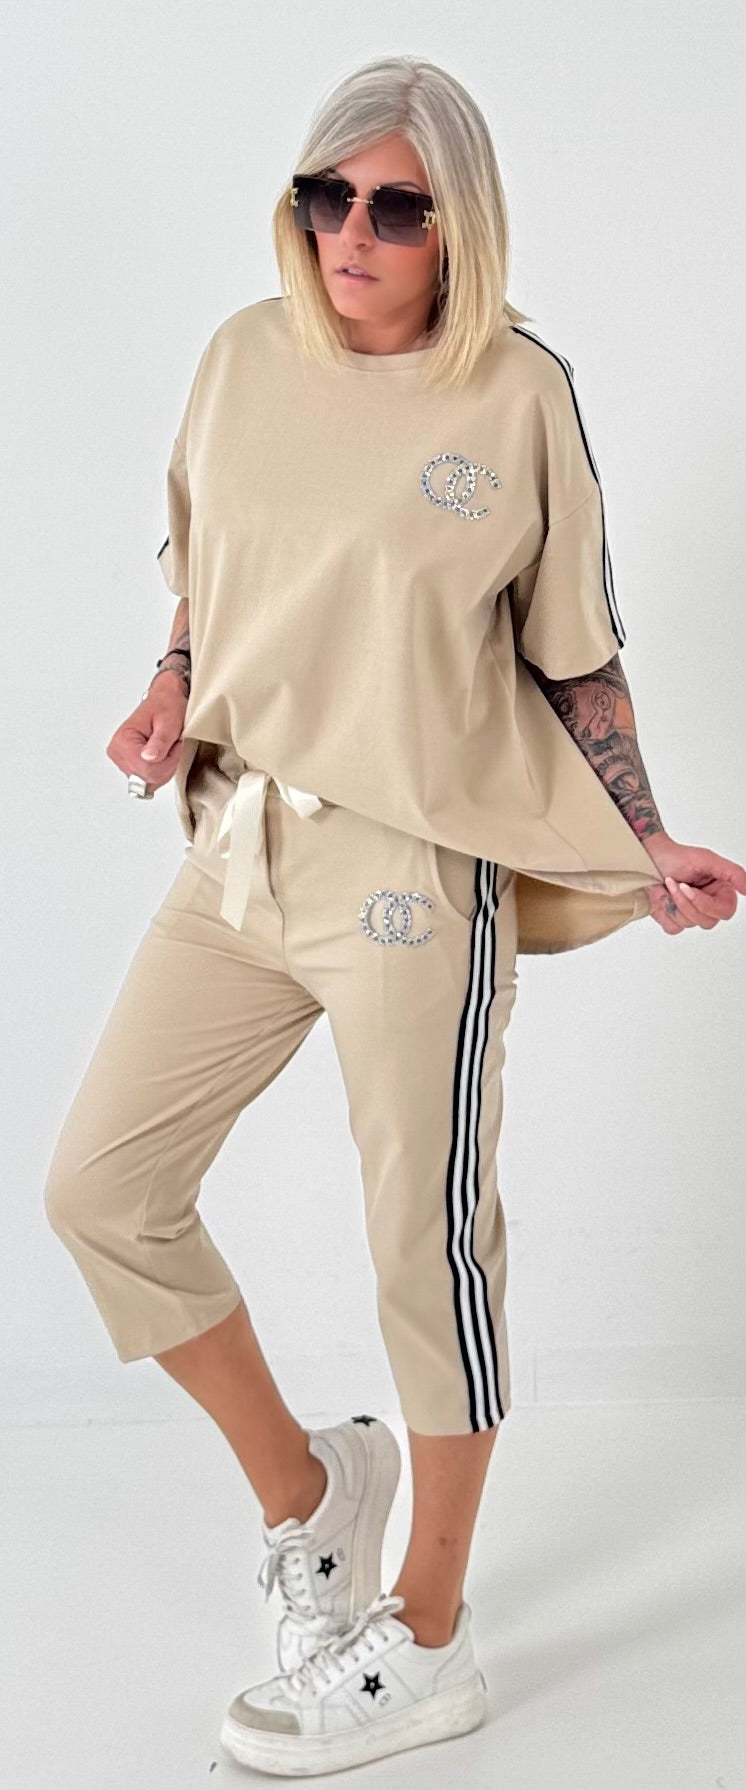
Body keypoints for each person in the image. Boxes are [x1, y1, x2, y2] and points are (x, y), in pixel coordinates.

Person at [43, 54, 745, 1778]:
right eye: (323, 196)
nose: (349, 232)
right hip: (240, 843)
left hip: (416, 875)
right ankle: (312, 1492)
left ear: (458, 225)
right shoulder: (240, 355)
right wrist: (172, 688)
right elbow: (208, 572)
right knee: (103, 1191)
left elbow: (574, 652)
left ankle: (428, 1637)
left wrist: (642, 834)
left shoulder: (515, 394)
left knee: (425, 1249)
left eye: (395, 206)